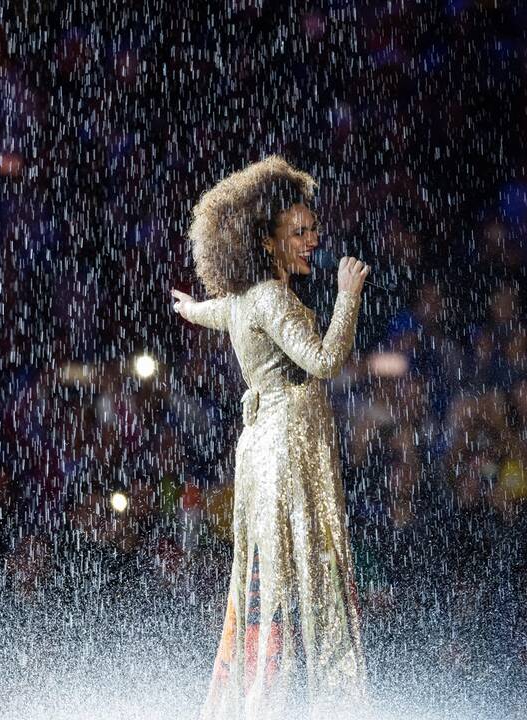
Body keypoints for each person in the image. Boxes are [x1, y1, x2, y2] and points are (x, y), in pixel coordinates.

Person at [170, 155, 371, 720]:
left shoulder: (244, 298)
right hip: (288, 445)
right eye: (299, 232)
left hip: (261, 447)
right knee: (306, 564)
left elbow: (216, 313)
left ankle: (262, 693)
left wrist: (190, 308)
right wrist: (348, 292)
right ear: (267, 240)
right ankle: (313, 699)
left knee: (269, 567)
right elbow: (325, 360)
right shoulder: (274, 298)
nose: (313, 239)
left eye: (313, 228)